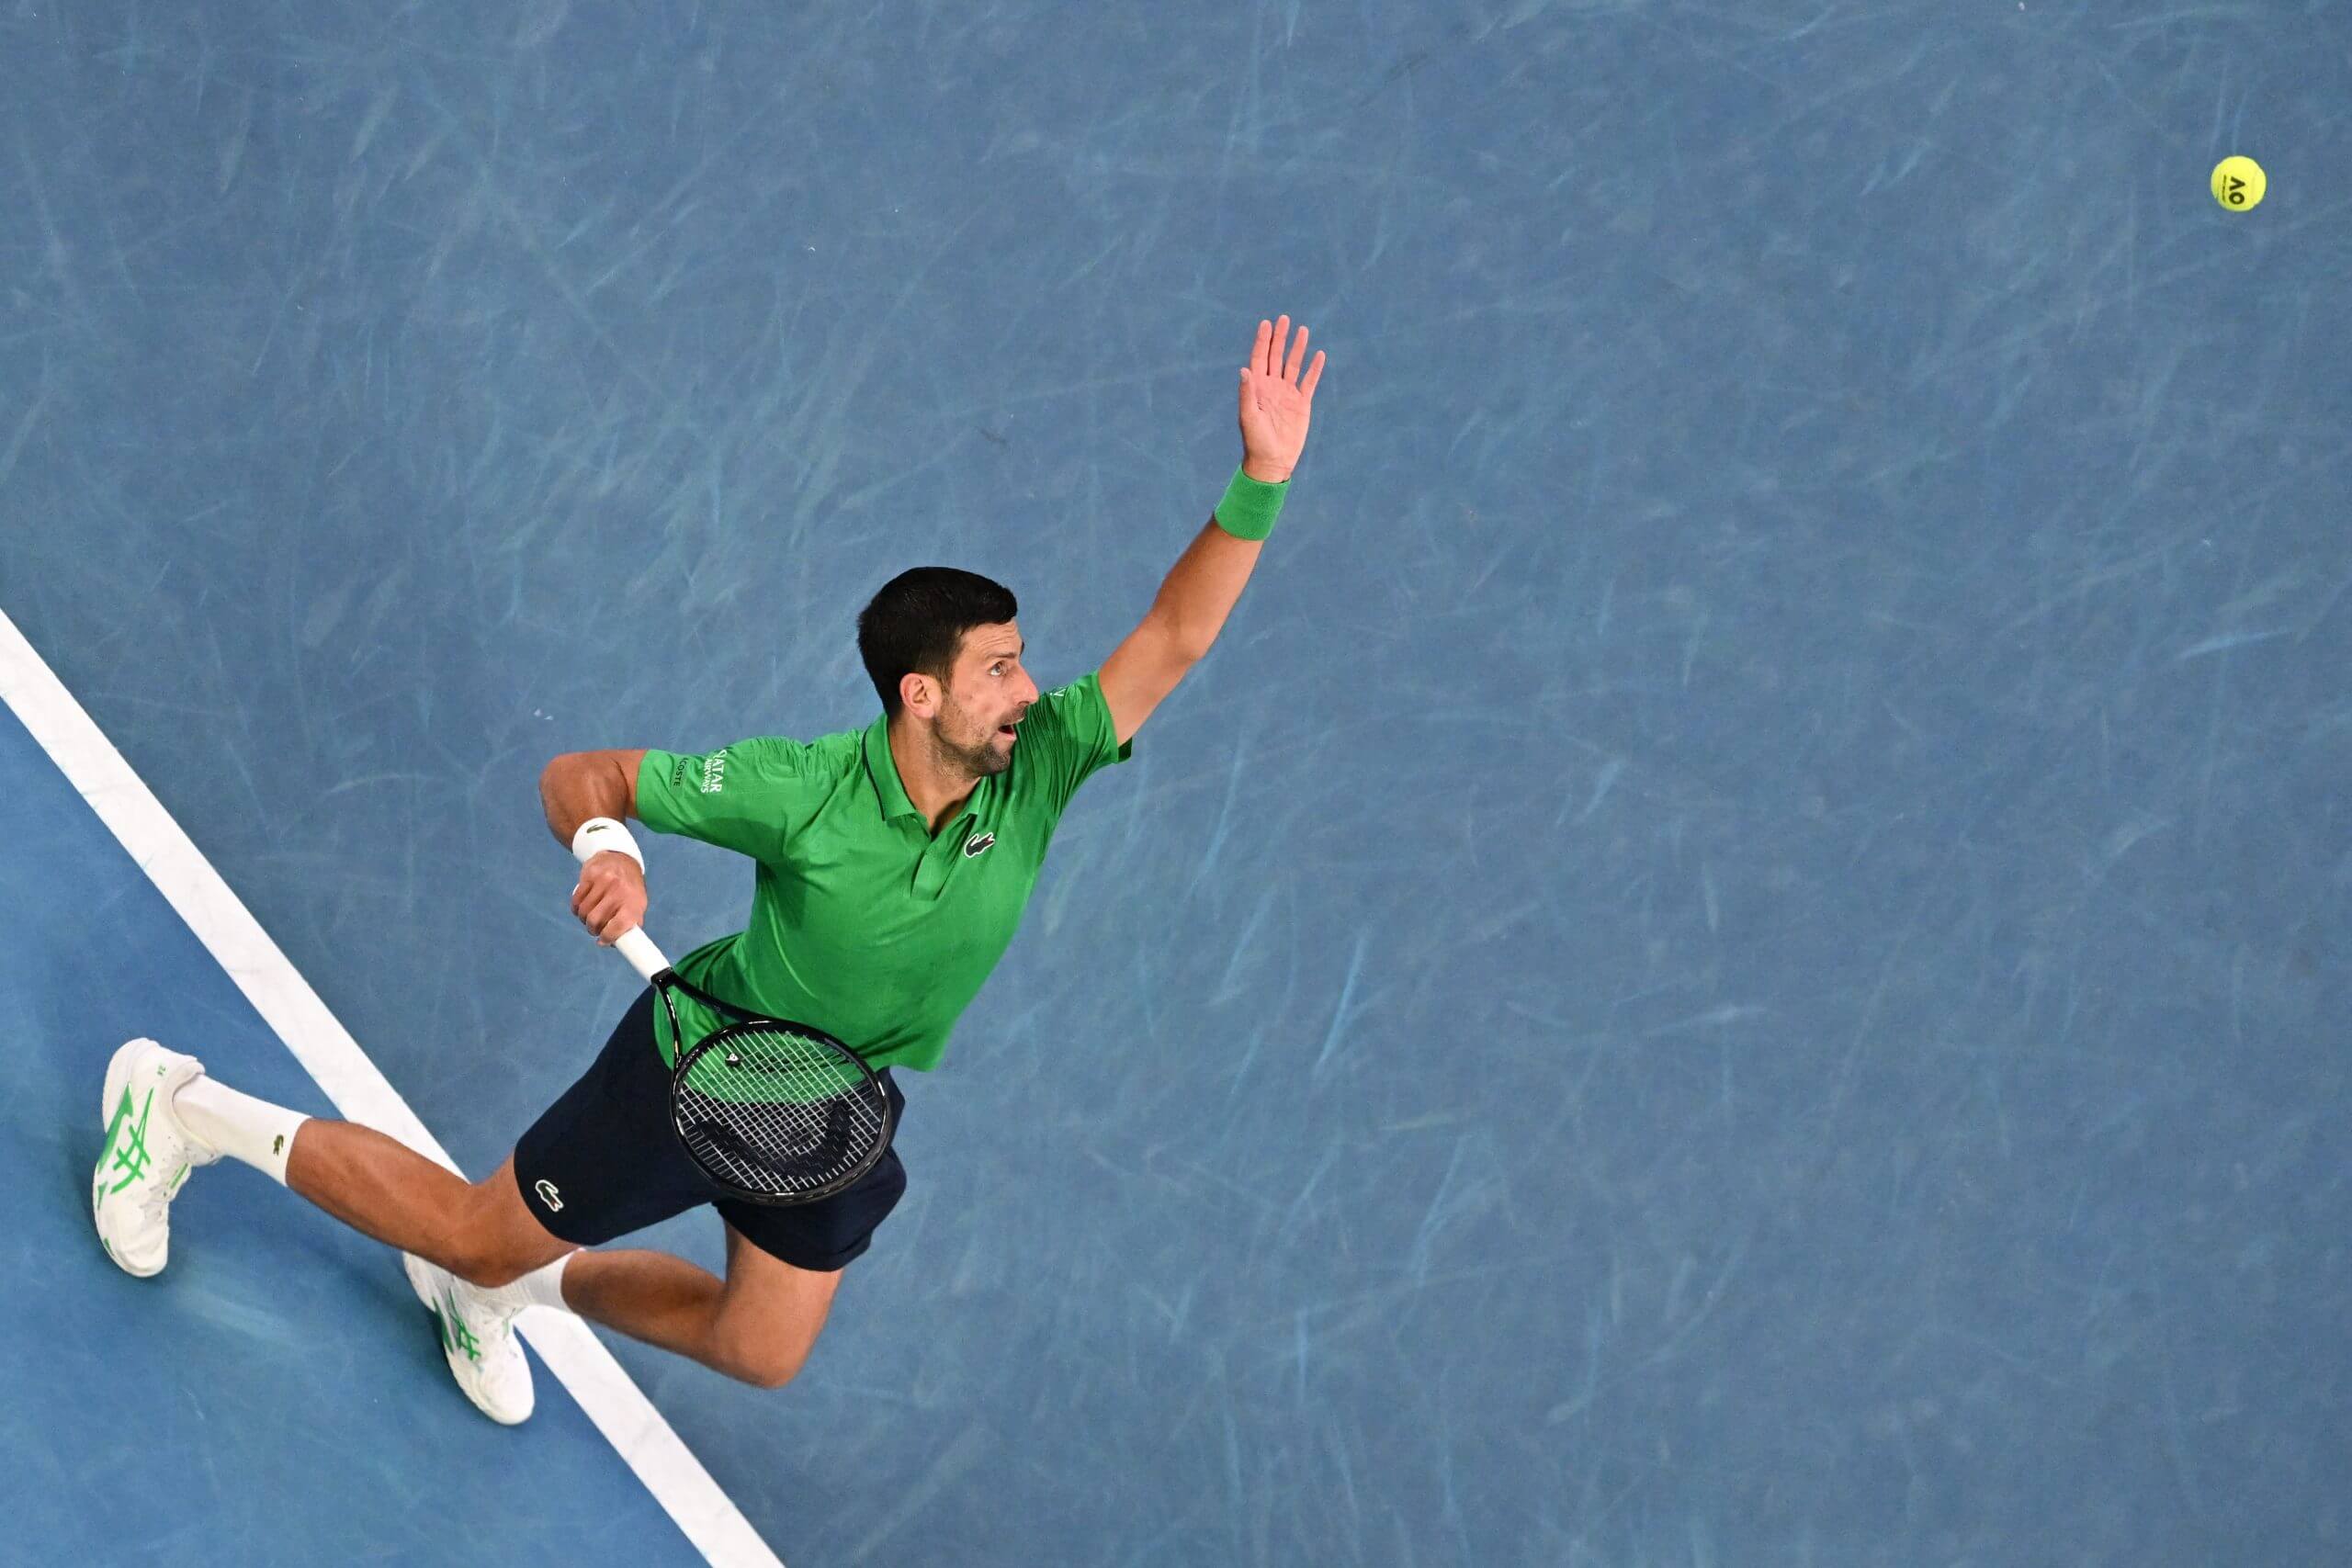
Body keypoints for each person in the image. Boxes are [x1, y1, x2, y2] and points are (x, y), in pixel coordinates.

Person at [90, 317, 1328, 1423]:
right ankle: (184, 1109)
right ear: (921, 693)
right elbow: (581, 776)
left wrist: (1261, 479)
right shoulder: (802, 791)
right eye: (998, 669)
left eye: (1021, 663)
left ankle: (513, 1289)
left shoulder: (1039, 765)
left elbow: (1174, 632)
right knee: (469, 1231)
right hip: (702, 1064)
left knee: (759, 1348)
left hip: (830, 1106)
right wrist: (609, 852)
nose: (1026, 690)